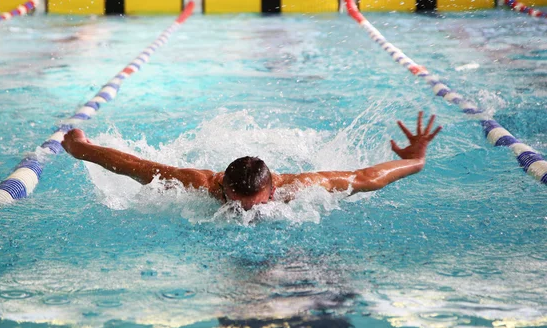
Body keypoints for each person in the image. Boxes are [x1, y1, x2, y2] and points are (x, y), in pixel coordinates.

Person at [61, 111, 441, 210]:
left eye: (254, 206)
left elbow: (365, 177)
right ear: (221, 187)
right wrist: (81, 148)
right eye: (234, 204)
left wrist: (416, 161)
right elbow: (133, 165)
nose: (243, 216)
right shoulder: (198, 184)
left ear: (272, 189)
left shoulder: (302, 189)